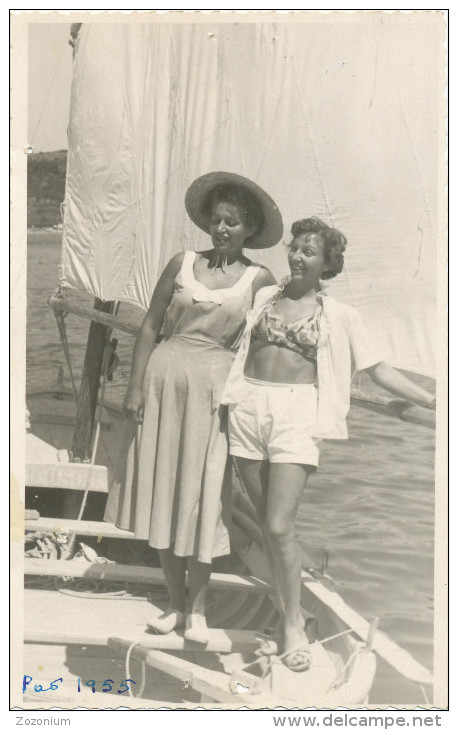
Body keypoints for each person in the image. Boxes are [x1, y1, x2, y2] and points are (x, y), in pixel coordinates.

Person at [222, 216, 436, 670]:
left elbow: (378, 370)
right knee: (264, 525)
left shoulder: (340, 315)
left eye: (309, 252)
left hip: (296, 415)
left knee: (280, 526)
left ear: (326, 264)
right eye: (295, 248)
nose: (297, 257)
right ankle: (288, 616)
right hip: (246, 409)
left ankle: (294, 625)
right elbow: (232, 346)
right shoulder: (264, 297)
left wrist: (434, 400)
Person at [104, 171, 282, 643]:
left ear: (249, 231)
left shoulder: (260, 279)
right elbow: (149, 326)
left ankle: (199, 610)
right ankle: (175, 604)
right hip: (164, 385)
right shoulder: (181, 263)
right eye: (216, 219)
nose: (221, 228)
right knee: (165, 491)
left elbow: (270, 344)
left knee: (204, 498)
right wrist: (134, 389)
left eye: (232, 222)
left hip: (214, 397)